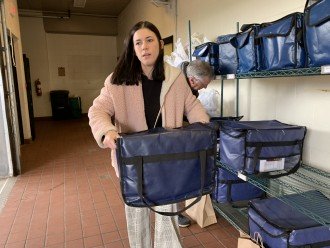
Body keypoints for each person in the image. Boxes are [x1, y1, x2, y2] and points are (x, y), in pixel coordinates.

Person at [88, 21, 209, 248]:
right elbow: (98, 110)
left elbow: (192, 106)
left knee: (168, 215)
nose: (145, 47)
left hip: (167, 157)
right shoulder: (117, 79)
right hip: (135, 160)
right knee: (137, 216)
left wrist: (204, 128)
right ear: (133, 49)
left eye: (150, 40)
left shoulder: (175, 77)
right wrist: (107, 131)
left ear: (161, 44)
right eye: (138, 42)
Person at [179, 60, 215, 228]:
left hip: (177, 132)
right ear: (192, 80)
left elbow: (190, 111)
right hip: (164, 134)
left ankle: (175, 208)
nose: (205, 88)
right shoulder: (176, 85)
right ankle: (173, 212)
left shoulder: (190, 88)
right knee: (171, 171)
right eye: (204, 84)